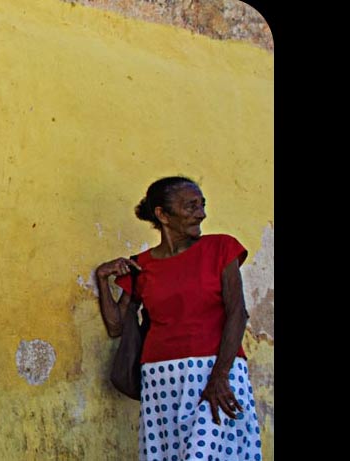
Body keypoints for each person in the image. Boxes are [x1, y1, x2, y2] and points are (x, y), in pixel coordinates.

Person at [93, 176, 261, 461]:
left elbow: (237, 313)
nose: (202, 213)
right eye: (191, 206)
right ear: (163, 215)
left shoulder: (221, 248)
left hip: (217, 369)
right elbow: (116, 326)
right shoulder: (141, 266)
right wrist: (102, 278)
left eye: (202, 205)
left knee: (204, 453)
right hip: (161, 379)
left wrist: (220, 377)